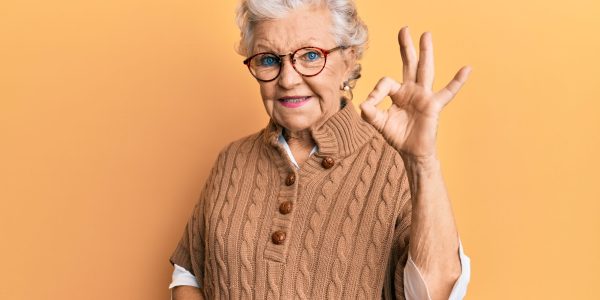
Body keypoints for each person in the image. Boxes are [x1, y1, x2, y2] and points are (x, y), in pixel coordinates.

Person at [169, 0, 472, 299]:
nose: (288, 79)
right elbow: (189, 273)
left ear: (349, 61)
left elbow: (437, 294)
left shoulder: (396, 166)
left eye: (311, 55)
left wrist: (422, 163)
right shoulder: (231, 161)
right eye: (268, 59)